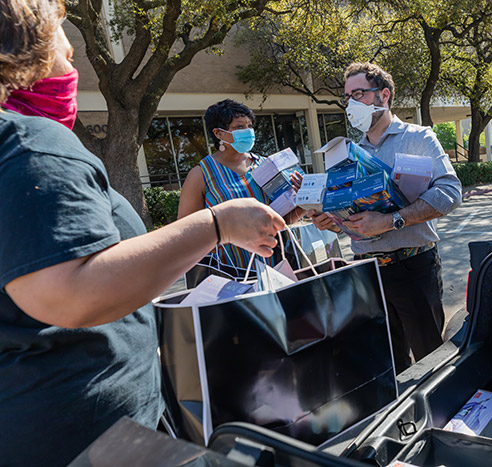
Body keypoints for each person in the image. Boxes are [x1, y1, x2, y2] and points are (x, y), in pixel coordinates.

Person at [0, 1, 285, 465]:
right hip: (86, 437)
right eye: (61, 38)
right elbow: (70, 293)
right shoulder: (31, 146)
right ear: (20, 47)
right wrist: (218, 224)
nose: (72, 53)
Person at [311, 62, 462, 373]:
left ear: (383, 95)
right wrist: (332, 220)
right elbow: (349, 209)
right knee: (386, 365)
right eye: (347, 97)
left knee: (430, 361)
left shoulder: (419, 138)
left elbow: (449, 192)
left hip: (414, 268)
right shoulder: (346, 153)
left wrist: (392, 220)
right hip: (367, 274)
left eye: (359, 95)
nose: (351, 104)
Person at [178, 99, 303, 280]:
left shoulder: (266, 165)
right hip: (230, 273)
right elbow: (187, 233)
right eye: (239, 127)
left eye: (250, 126)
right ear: (219, 133)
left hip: (277, 268)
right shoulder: (201, 174)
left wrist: (302, 201)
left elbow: (283, 220)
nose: (248, 132)